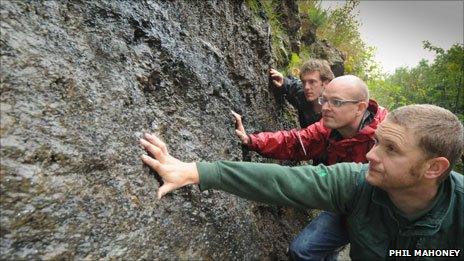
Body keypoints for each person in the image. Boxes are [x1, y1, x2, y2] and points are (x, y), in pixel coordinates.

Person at [139, 104, 464, 260]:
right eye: (377, 142)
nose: (370, 155)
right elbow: (285, 180)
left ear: (434, 168)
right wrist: (194, 171)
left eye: (391, 149)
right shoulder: (356, 182)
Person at [233, 74, 388, 259]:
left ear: (360, 107)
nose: (325, 108)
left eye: (336, 102)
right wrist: (251, 140)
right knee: (302, 251)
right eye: (324, 100)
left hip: (383, 214)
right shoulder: (328, 128)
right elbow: (295, 142)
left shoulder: (387, 137)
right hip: (344, 205)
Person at [269, 59, 335, 128]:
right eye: (304, 82)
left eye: (312, 82)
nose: (306, 87)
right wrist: (283, 81)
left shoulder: (336, 107)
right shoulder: (302, 94)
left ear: (326, 83)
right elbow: (293, 86)